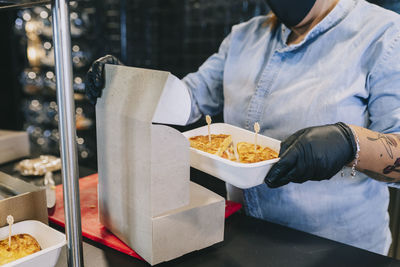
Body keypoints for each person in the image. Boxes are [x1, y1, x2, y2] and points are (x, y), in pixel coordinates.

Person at [86, 0, 400, 255]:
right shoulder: (244, 36)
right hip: (244, 235)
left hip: (336, 251)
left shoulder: (383, 34)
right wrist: (125, 84)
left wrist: (350, 142)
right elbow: (189, 98)